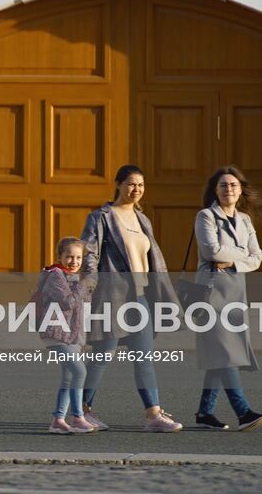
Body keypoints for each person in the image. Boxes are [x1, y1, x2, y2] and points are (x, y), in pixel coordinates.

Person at [80, 164, 182, 432]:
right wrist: (87, 283)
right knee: (102, 355)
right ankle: (82, 411)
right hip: (113, 297)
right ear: (118, 185)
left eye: (140, 185)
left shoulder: (142, 219)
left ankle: (153, 415)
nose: (136, 189)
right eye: (131, 183)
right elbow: (89, 253)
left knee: (144, 357)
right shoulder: (101, 217)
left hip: (140, 297)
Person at [191, 165, 262, 432]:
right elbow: (212, 251)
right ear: (215, 190)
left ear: (241, 190)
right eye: (224, 185)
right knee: (226, 352)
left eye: (234, 185)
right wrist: (241, 253)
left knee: (221, 353)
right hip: (211, 290)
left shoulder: (245, 220)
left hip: (236, 290)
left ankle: (205, 413)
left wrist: (234, 261)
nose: (229, 189)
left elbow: (257, 257)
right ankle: (243, 411)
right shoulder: (206, 216)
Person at [37, 237, 97, 434]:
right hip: (56, 333)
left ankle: (58, 420)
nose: (74, 261)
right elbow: (68, 302)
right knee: (80, 372)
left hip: (73, 335)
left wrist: (90, 263)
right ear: (59, 256)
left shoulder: (77, 277)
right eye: (69, 256)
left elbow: (84, 307)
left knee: (68, 378)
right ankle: (78, 417)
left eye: (78, 257)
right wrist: (84, 283)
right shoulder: (55, 275)